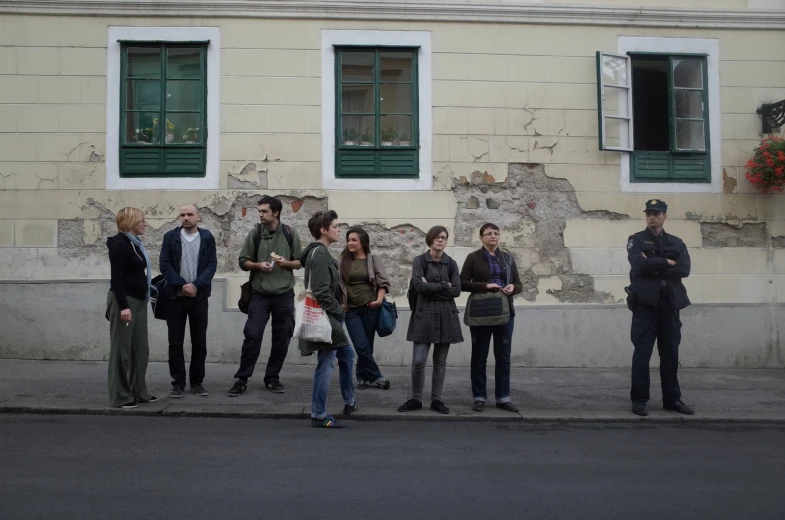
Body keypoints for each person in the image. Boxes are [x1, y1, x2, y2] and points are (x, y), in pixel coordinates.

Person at [227, 196, 303, 397]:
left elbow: (299, 262)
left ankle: (272, 378)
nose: (260, 214)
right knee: (252, 335)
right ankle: (241, 379)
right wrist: (258, 265)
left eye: (264, 211)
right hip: (259, 293)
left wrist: (286, 263)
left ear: (275, 213)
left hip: (284, 294)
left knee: (281, 338)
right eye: (259, 211)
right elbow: (243, 261)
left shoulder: (289, 233)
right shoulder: (255, 234)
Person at [626, 199, 694, 417]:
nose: (652, 217)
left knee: (671, 355)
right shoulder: (636, 240)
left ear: (665, 216)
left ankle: (672, 400)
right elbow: (638, 265)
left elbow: (684, 269)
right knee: (642, 355)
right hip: (646, 306)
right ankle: (639, 400)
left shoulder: (677, 242)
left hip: (670, 305)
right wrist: (667, 263)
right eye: (649, 213)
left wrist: (654, 264)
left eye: (657, 213)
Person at [299, 210, 357, 428]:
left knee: (347, 355)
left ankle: (349, 400)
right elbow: (322, 291)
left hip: (329, 316)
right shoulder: (321, 254)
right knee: (326, 365)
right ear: (323, 230)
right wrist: (339, 311)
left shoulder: (318, 252)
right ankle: (318, 414)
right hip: (328, 317)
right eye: (335, 226)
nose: (339, 230)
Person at [398, 226, 463, 415]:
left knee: (440, 362)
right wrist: (444, 285)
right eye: (436, 237)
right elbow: (419, 287)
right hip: (423, 315)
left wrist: (431, 288)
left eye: (443, 237)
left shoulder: (451, 263)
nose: (440, 240)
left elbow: (457, 290)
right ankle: (416, 399)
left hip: (446, 316)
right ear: (430, 240)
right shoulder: (419, 261)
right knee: (418, 361)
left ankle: (437, 400)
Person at [460, 223, 523, 413]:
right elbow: (462, 283)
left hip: (505, 313)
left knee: (503, 356)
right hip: (481, 313)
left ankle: (503, 398)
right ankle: (479, 397)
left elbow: (519, 284)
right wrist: (486, 286)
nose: (493, 236)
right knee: (479, 356)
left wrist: (513, 288)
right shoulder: (473, 258)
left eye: (496, 233)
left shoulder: (507, 258)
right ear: (481, 238)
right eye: (489, 234)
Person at [159, 204, 218, 398]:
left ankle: (197, 382)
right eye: (182, 214)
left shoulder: (207, 238)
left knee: (199, 342)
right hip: (175, 297)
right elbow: (165, 265)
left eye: (189, 214)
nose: (185, 217)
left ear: (198, 217)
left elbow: (211, 265)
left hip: (199, 297)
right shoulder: (170, 237)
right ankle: (178, 383)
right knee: (175, 342)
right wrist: (183, 284)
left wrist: (196, 286)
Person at [105, 207, 156, 409]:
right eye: (141, 220)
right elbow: (116, 278)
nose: (145, 223)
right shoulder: (119, 244)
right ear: (130, 222)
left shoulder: (135, 244)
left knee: (140, 349)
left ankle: (139, 391)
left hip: (140, 300)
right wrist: (123, 306)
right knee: (121, 350)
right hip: (124, 302)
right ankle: (120, 396)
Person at [338, 227, 392, 390]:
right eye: (348, 240)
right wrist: (341, 302)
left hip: (370, 307)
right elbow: (335, 284)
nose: (350, 243)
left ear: (363, 242)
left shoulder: (373, 259)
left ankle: (362, 376)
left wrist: (379, 300)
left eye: (354, 240)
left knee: (367, 344)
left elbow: (383, 282)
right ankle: (377, 377)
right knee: (360, 345)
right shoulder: (342, 260)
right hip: (351, 310)